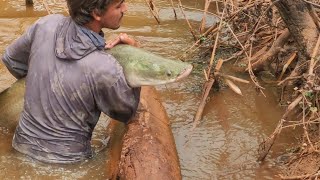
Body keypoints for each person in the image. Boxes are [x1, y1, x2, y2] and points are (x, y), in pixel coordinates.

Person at [1, 0, 141, 164]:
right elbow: (126, 111)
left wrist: (45, 81)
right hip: (69, 164)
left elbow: (11, 60)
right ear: (96, 13)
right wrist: (134, 54)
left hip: (21, 149)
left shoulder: (46, 24)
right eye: (119, 6)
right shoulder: (105, 67)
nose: (125, 9)